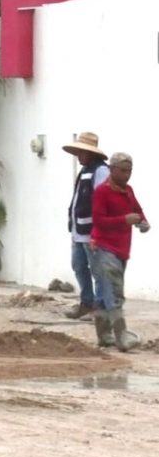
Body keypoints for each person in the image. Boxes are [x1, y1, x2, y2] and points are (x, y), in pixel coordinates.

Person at [90, 152, 149, 351]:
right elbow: (99, 221)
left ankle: (104, 336)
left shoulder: (128, 191)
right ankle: (121, 336)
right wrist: (124, 220)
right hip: (104, 247)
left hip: (121, 250)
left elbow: (138, 211)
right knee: (114, 292)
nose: (127, 175)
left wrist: (142, 222)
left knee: (103, 293)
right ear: (112, 169)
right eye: (123, 171)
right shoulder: (102, 192)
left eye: (129, 171)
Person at [62, 132, 109, 319]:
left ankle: (101, 307)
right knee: (79, 266)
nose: (79, 155)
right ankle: (86, 302)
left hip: (92, 232)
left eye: (82, 152)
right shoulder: (85, 170)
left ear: (91, 153)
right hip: (79, 231)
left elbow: (102, 202)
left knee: (98, 270)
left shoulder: (101, 170)